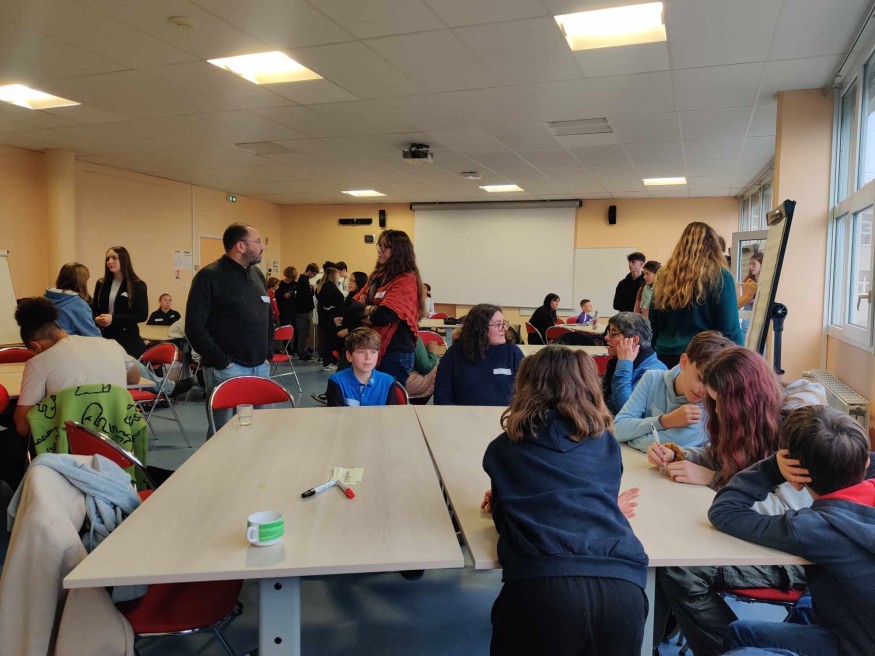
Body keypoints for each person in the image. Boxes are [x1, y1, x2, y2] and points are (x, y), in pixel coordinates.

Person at [646, 347, 815, 656]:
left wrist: (713, 479)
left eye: (722, 403)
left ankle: (730, 650)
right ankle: (653, 644)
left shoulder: (797, 435)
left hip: (793, 556)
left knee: (680, 569)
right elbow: (718, 455)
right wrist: (678, 454)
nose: (719, 412)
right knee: (665, 548)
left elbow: (786, 512)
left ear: (744, 400)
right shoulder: (751, 420)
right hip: (752, 540)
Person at [482, 346, 648, 656]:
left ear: (526, 387)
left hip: (543, 585)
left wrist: (515, 499)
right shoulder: (606, 444)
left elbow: (505, 523)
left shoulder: (504, 447)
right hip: (622, 584)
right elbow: (597, 491)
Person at [712, 405, 875, 656]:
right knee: (741, 632)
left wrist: (773, 469)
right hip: (856, 632)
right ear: (865, 462)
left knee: (739, 644)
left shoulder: (814, 528)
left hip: (855, 645)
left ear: (797, 476)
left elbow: (724, 511)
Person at [185, 223, 274, 434]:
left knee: (260, 431)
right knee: (223, 434)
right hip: (227, 370)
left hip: (260, 366)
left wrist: (268, 353)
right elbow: (194, 327)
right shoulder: (209, 276)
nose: (262, 247)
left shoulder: (257, 275)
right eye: (257, 242)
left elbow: (268, 317)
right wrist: (222, 362)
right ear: (240, 246)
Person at [12, 298, 141, 437]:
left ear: (36, 346)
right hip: (118, 439)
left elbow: (22, 427)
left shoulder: (38, 362)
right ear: (61, 330)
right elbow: (135, 378)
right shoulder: (111, 345)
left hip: (68, 443)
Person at [614, 330, 734, 451]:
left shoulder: (709, 407)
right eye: (701, 379)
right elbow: (617, 428)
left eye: (712, 386)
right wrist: (665, 421)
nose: (704, 391)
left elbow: (661, 447)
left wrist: (630, 437)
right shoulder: (652, 378)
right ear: (684, 362)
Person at [650, 222, 742, 368]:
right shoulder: (720, 276)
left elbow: (653, 324)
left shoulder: (664, 277)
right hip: (703, 360)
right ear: (713, 247)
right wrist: (741, 361)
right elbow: (730, 328)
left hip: (664, 357)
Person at [356, 230, 424, 386]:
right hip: (373, 346)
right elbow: (350, 305)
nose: (379, 251)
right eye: (379, 246)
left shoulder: (407, 279)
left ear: (398, 251)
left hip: (395, 352)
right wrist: (371, 310)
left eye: (384, 247)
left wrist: (364, 309)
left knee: (389, 398)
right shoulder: (376, 277)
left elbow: (385, 315)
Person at [434, 304, 524, 406]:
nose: (505, 328)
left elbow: (528, 392)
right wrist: (456, 414)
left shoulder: (513, 353)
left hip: (505, 415)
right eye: (498, 324)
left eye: (504, 323)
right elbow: (442, 396)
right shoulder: (454, 354)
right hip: (462, 415)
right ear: (480, 329)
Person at [601, 311, 667, 413]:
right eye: (608, 332)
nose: (606, 337)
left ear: (634, 340)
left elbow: (626, 410)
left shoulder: (653, 371)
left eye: (613, 333)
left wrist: (624, 364)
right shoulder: (615, 361)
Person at [91, 246, 148, 358]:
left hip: (127, 340)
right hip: (105, 338)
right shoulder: (101, 283)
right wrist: (96, 318)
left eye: (114, 258)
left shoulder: (137, 285)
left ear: (123, 260)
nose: (109, 262)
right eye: (107, 259)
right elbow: (93, 308)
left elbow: (142, 315)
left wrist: (114, 319)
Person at [326, 328, 398, 407]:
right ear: (349, 356)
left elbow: (391, 413)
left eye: (373, 352)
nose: (368, 357)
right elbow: (336, 414)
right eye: (361, 352)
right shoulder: (337, 381)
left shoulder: (388, 381)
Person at [44, 262, 100, 337]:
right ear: (81, 283)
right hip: (70, 343)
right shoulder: (79, 305)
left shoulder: (45, 299)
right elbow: (93, 335)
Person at [316, 267, 344, 371]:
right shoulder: (331, 286)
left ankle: (327, 362)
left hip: (324, 318)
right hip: (332, 318)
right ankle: (328, 362)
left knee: (326, 340)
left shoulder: (321, 286)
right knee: (329, 341)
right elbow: (332, 302)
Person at [293, 263, 318, 361]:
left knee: (304, 332)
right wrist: (313, 290)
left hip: (304, 309)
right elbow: (306, 295)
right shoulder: (303, 280)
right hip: (304, 310)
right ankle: (302, 352)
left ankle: (302, 351)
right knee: (303, 332)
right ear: (310, 271)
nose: (314, 276)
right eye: (314, 274)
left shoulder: (303, 279)